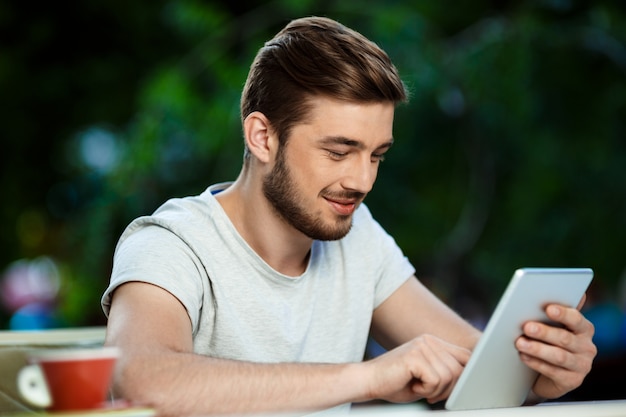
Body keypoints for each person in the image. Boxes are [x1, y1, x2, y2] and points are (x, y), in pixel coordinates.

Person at [101, 16, 596, 417]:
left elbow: (480, 366)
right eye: (339, 152)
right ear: (262, 137)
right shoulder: (169, 244)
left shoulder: (358, 237)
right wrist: (368, 377)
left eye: (377, 155)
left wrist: (543, 374)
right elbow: (141, 380)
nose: (362, 180)